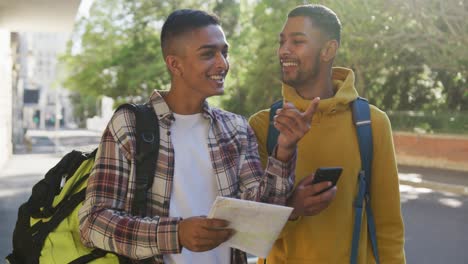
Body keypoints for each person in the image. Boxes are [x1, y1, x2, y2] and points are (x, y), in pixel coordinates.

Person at [78, 9, 318, 264]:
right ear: (175, 64)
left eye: (224, 52)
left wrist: (285, 150)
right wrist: (176, 233)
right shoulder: (130, 124)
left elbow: (260, 214)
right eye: (208, 54)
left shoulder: (235, 128)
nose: (222, 63)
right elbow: (93, 223)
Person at [249, 4, 406, 264]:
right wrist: (293, 208)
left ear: (328, 50)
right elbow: (251, 230)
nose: (284, 50)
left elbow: (387, 227)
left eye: (297, 41)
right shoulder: (264, 125)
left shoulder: (371, 123)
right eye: (282, 41)